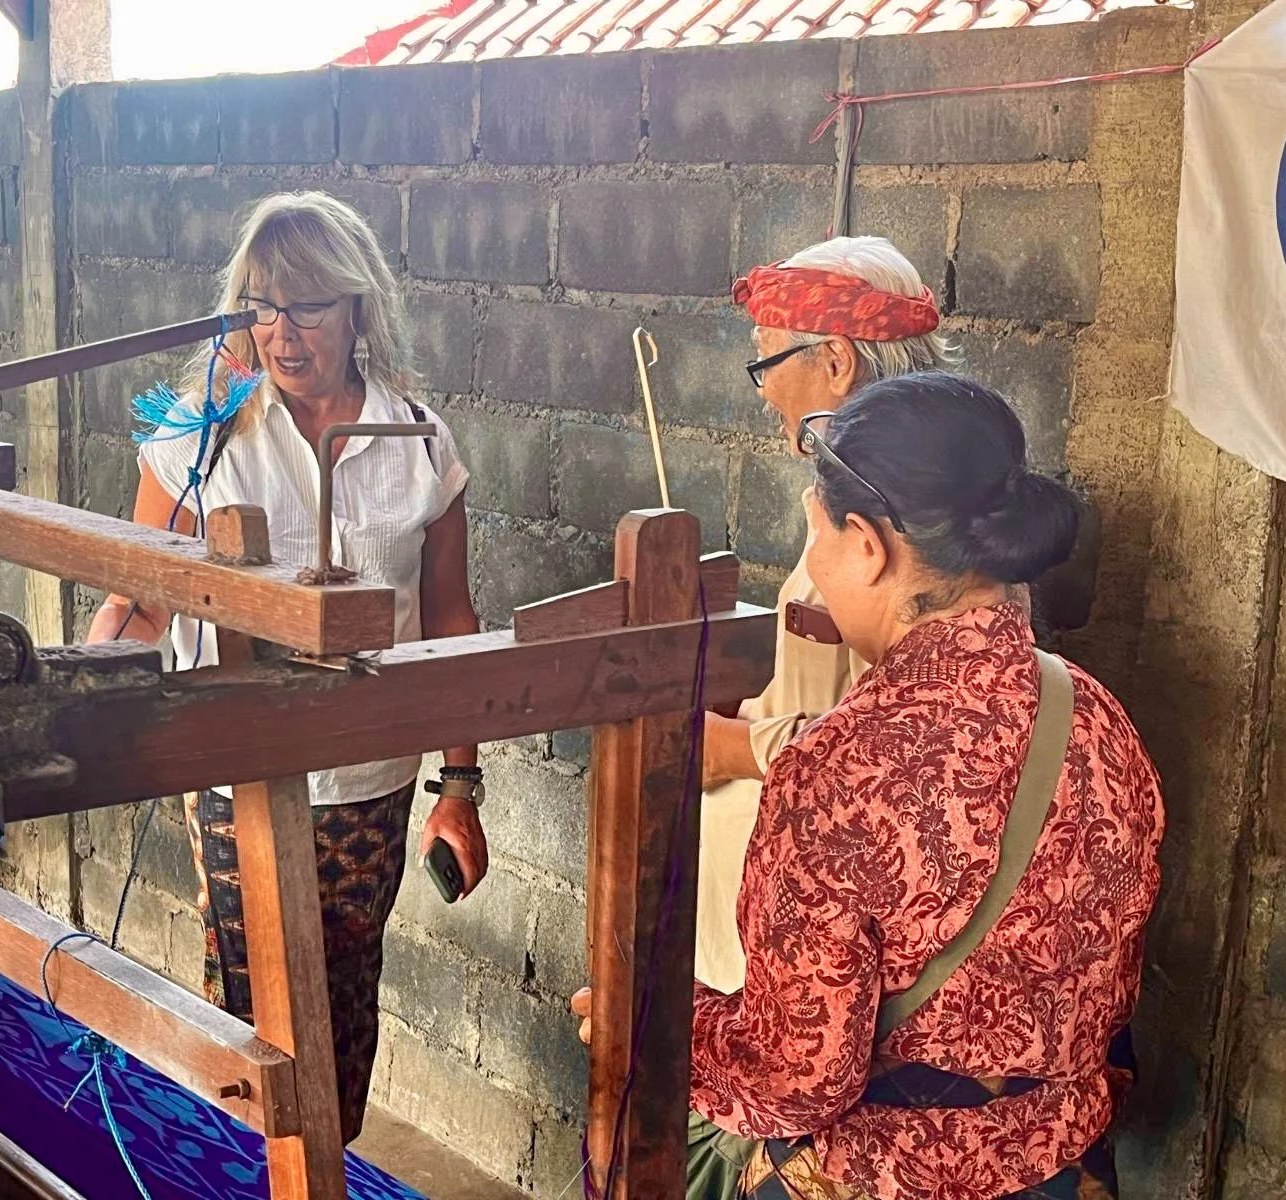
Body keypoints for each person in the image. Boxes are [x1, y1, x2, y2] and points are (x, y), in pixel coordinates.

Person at [578, 372, 1164, 1199]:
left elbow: (793, 1080)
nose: (814, 560)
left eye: (816, 534)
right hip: (1063, 1168)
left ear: (867, 545)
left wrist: (650, 1029)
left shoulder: (837, 774)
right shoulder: (1099, 719)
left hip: (887, 1178)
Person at [86, 191, 487, 1144]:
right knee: (250, 992)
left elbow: (449, 617)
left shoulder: (420, 441)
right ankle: (249, 1167)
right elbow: (141, 595)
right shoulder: (201, 434)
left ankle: (328, 1165)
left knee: (345, 988)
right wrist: (83, 690)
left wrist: (461, 783)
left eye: (307, 306)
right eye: (261, 306)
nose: (283, 332)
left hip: (368, 779)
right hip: (231, 770)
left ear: (357, 310)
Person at [696, 236, 960, 994]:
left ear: (836, 363)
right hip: (771, 922)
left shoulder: (912, 519)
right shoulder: (852, 495)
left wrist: (737, 749)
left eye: (768, 361)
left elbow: (914, 743)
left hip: (823, 947)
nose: (760, 388)